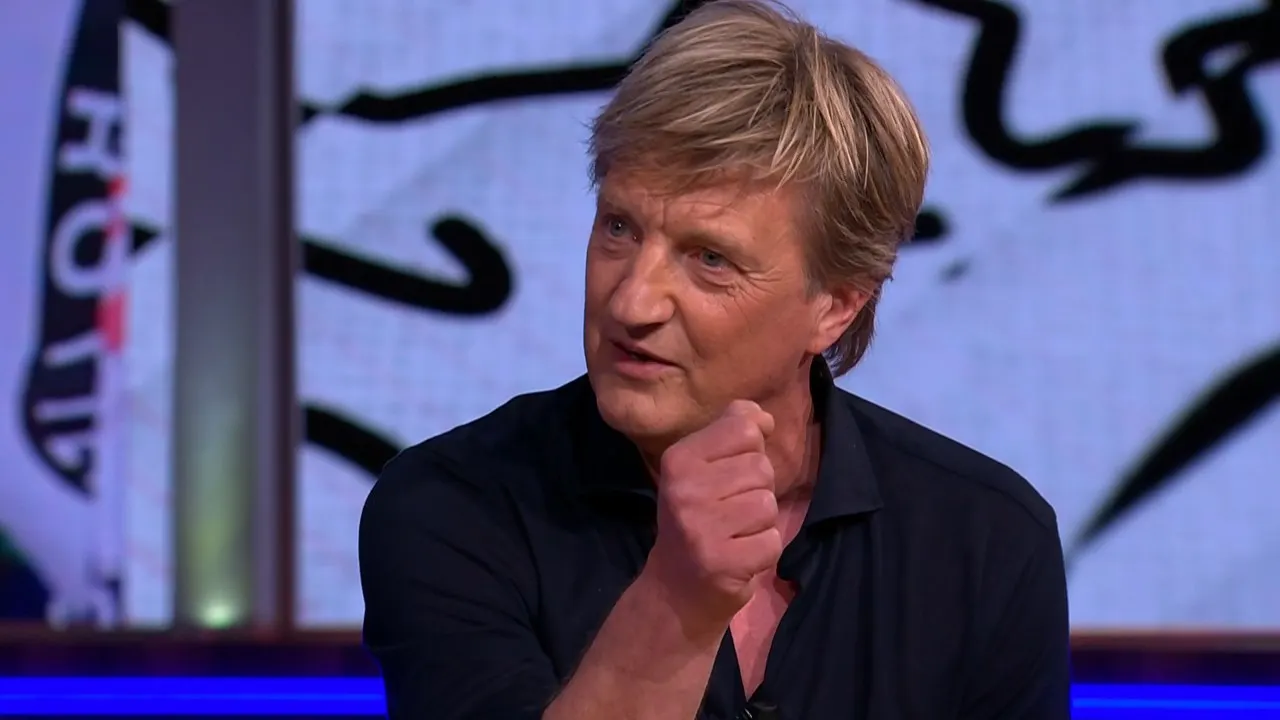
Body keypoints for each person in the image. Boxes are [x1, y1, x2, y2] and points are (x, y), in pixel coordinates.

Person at [358, 1, 1071, 718]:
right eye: (619, 227)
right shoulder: (452, 508)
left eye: (710, 259)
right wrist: (676, 601)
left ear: (835, 306)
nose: (632, 301)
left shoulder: (987, 542)